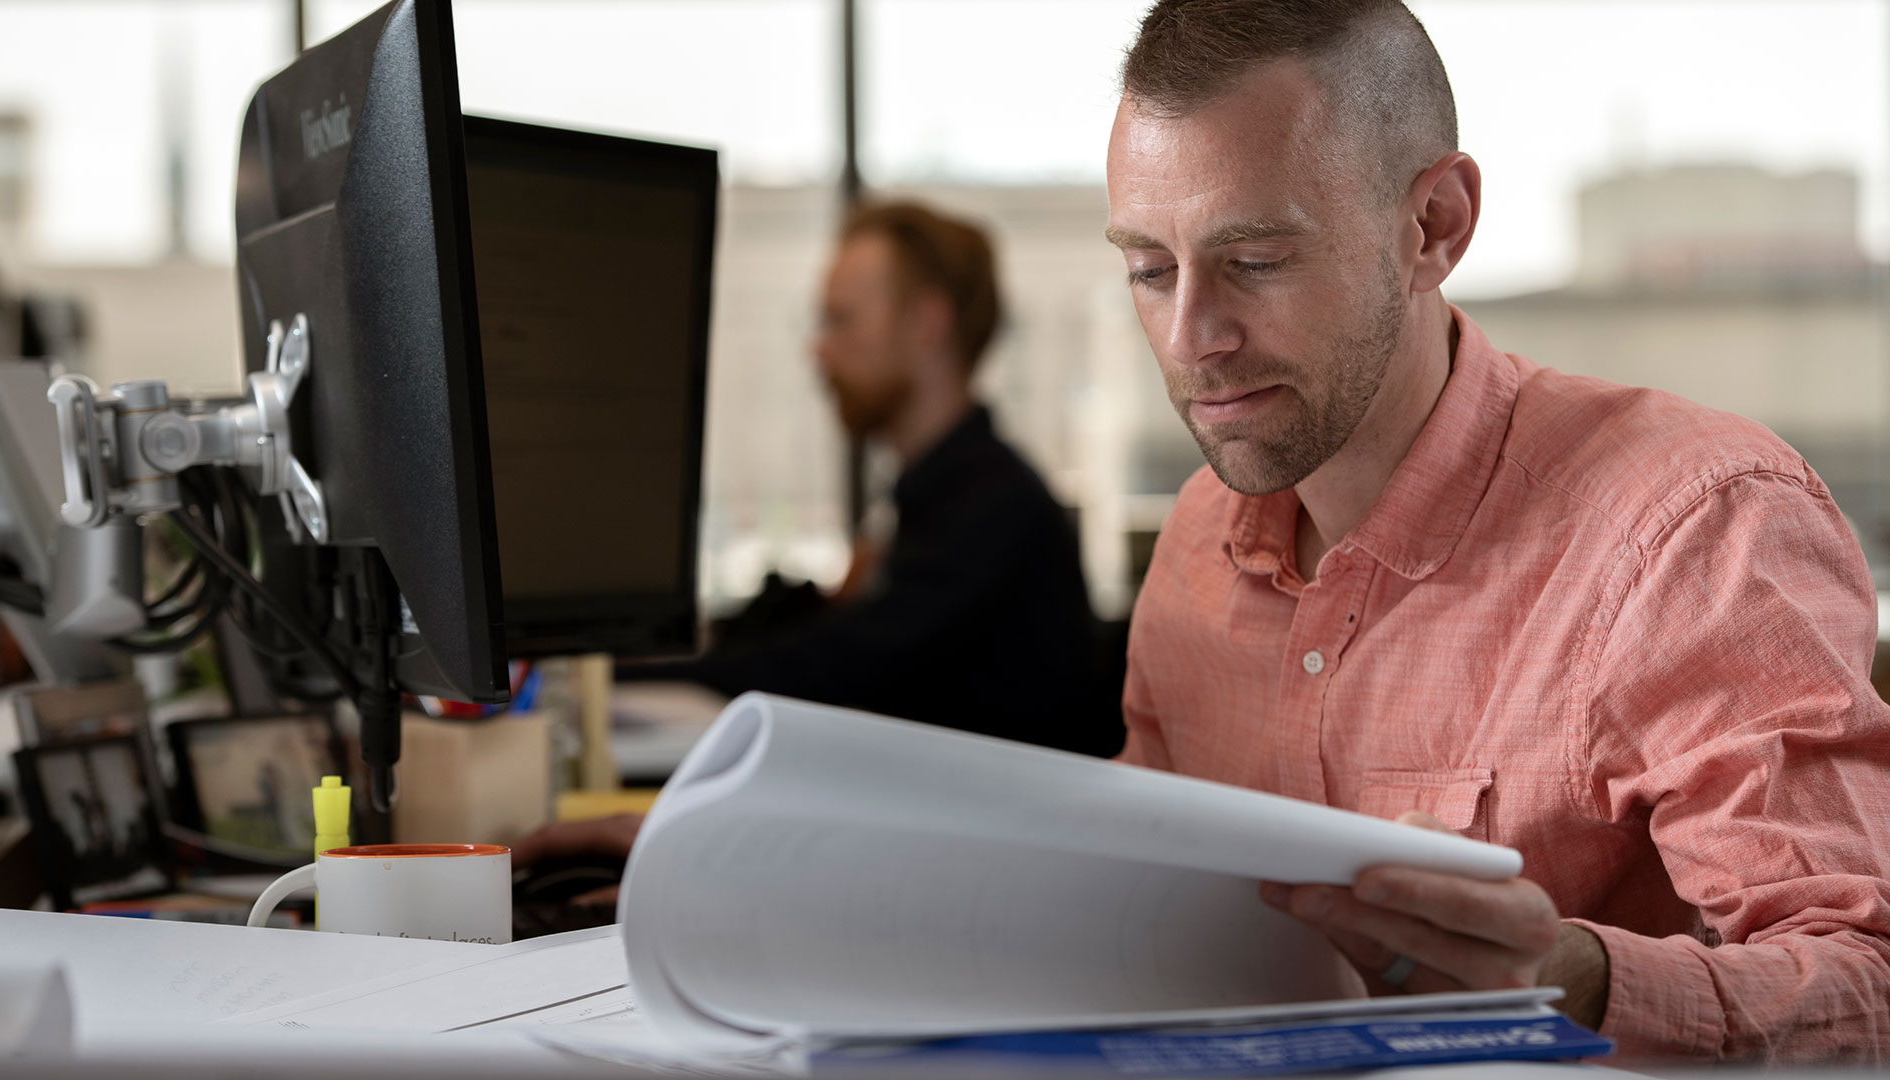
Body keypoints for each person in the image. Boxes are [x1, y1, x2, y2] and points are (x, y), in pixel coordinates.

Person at [1105, 0, 1890, 1062]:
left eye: (1257, 261)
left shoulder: (1696, 528)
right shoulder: (1200, 540)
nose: (1192, 337)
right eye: (1151, 270)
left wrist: (1572, 981)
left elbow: (1869, 984)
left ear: (1434, 227)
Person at [621, 201, 1119, 757]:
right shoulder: (937, 499)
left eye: (842, 319)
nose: (819, 349)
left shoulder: (995, 507)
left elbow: (842, 665)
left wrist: (618, 679)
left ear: (926, 324)